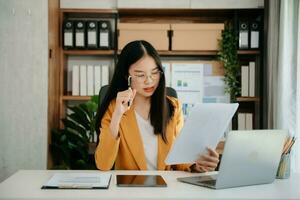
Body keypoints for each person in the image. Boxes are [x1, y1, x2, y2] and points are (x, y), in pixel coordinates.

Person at [94, 40, 219, 172]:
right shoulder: (114, 108)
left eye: (154, 73)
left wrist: (197, 166)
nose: (149, 81)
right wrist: (117, 116)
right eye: (140, 75)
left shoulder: (173, 107)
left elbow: (180, 161)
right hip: (130, 188)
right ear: (127, 76)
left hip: (166, 188)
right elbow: (103, 164)